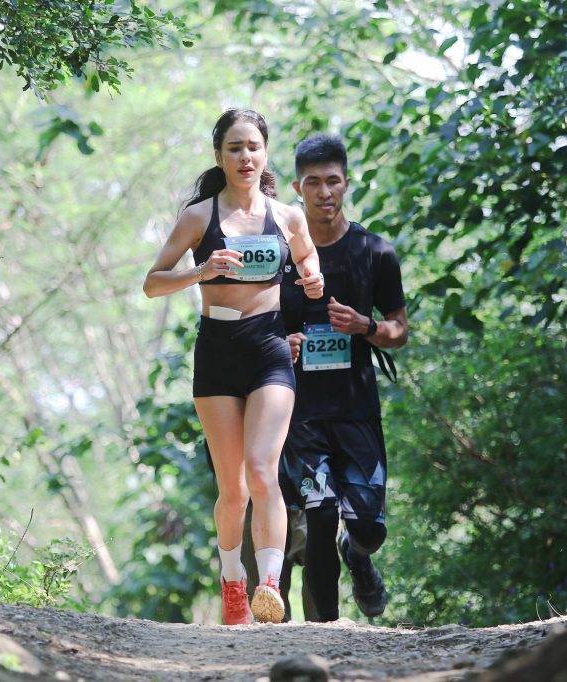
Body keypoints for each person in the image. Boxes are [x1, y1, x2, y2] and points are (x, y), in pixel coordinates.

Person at [143, 109, 323, 625]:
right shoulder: (199, 217)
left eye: (253, 147)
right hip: (217, 349)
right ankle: (233, 582)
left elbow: (309, 263)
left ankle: (269, 583)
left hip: (269, 346)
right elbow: (152, 282)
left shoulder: (287, 216)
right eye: (234, 148)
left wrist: (311, 282)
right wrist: (202, 269)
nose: (245, 157)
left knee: (265, 470)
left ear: (265, 152)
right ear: (219, 156)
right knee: (233, 487)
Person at [278, 133, 409, 622]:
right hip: (300, 414)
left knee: (369, 527)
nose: (324, 192)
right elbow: (257, 322)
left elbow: (399, 331)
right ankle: (325, 634)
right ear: (298, 188)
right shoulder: (282, 254)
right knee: (318, 511)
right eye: (313, 183)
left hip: (356, 410)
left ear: (346, 183)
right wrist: (281, 343)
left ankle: (357, 557)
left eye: (333, 181)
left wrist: (365, 326)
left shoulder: (375, 251)